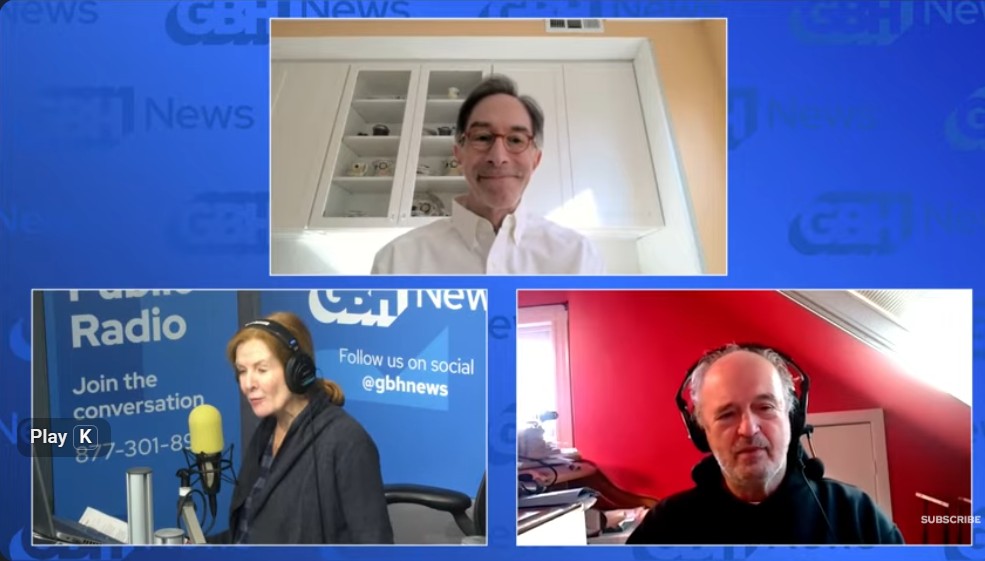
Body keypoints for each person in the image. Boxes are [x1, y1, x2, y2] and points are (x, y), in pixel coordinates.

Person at [627, 344, 904, 545]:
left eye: (766, 406)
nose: (748, 429)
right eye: (726, 414)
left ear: (792, 418)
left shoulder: (856, 516)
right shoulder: (664, 530)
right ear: (703, 432)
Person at [371, 75, 605, 275]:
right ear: (459, 154)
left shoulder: (579, 258)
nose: (498, 157)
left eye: (516, 140)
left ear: (536, 159)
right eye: (482, 137)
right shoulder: (396, 262)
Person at [210, 312, 394, 544]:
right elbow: (250, 530)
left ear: (297, 370)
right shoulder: (267, 431)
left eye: (261, 369)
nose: (248, 384)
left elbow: (374, 546)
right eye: (242, 371)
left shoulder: (346, 441)